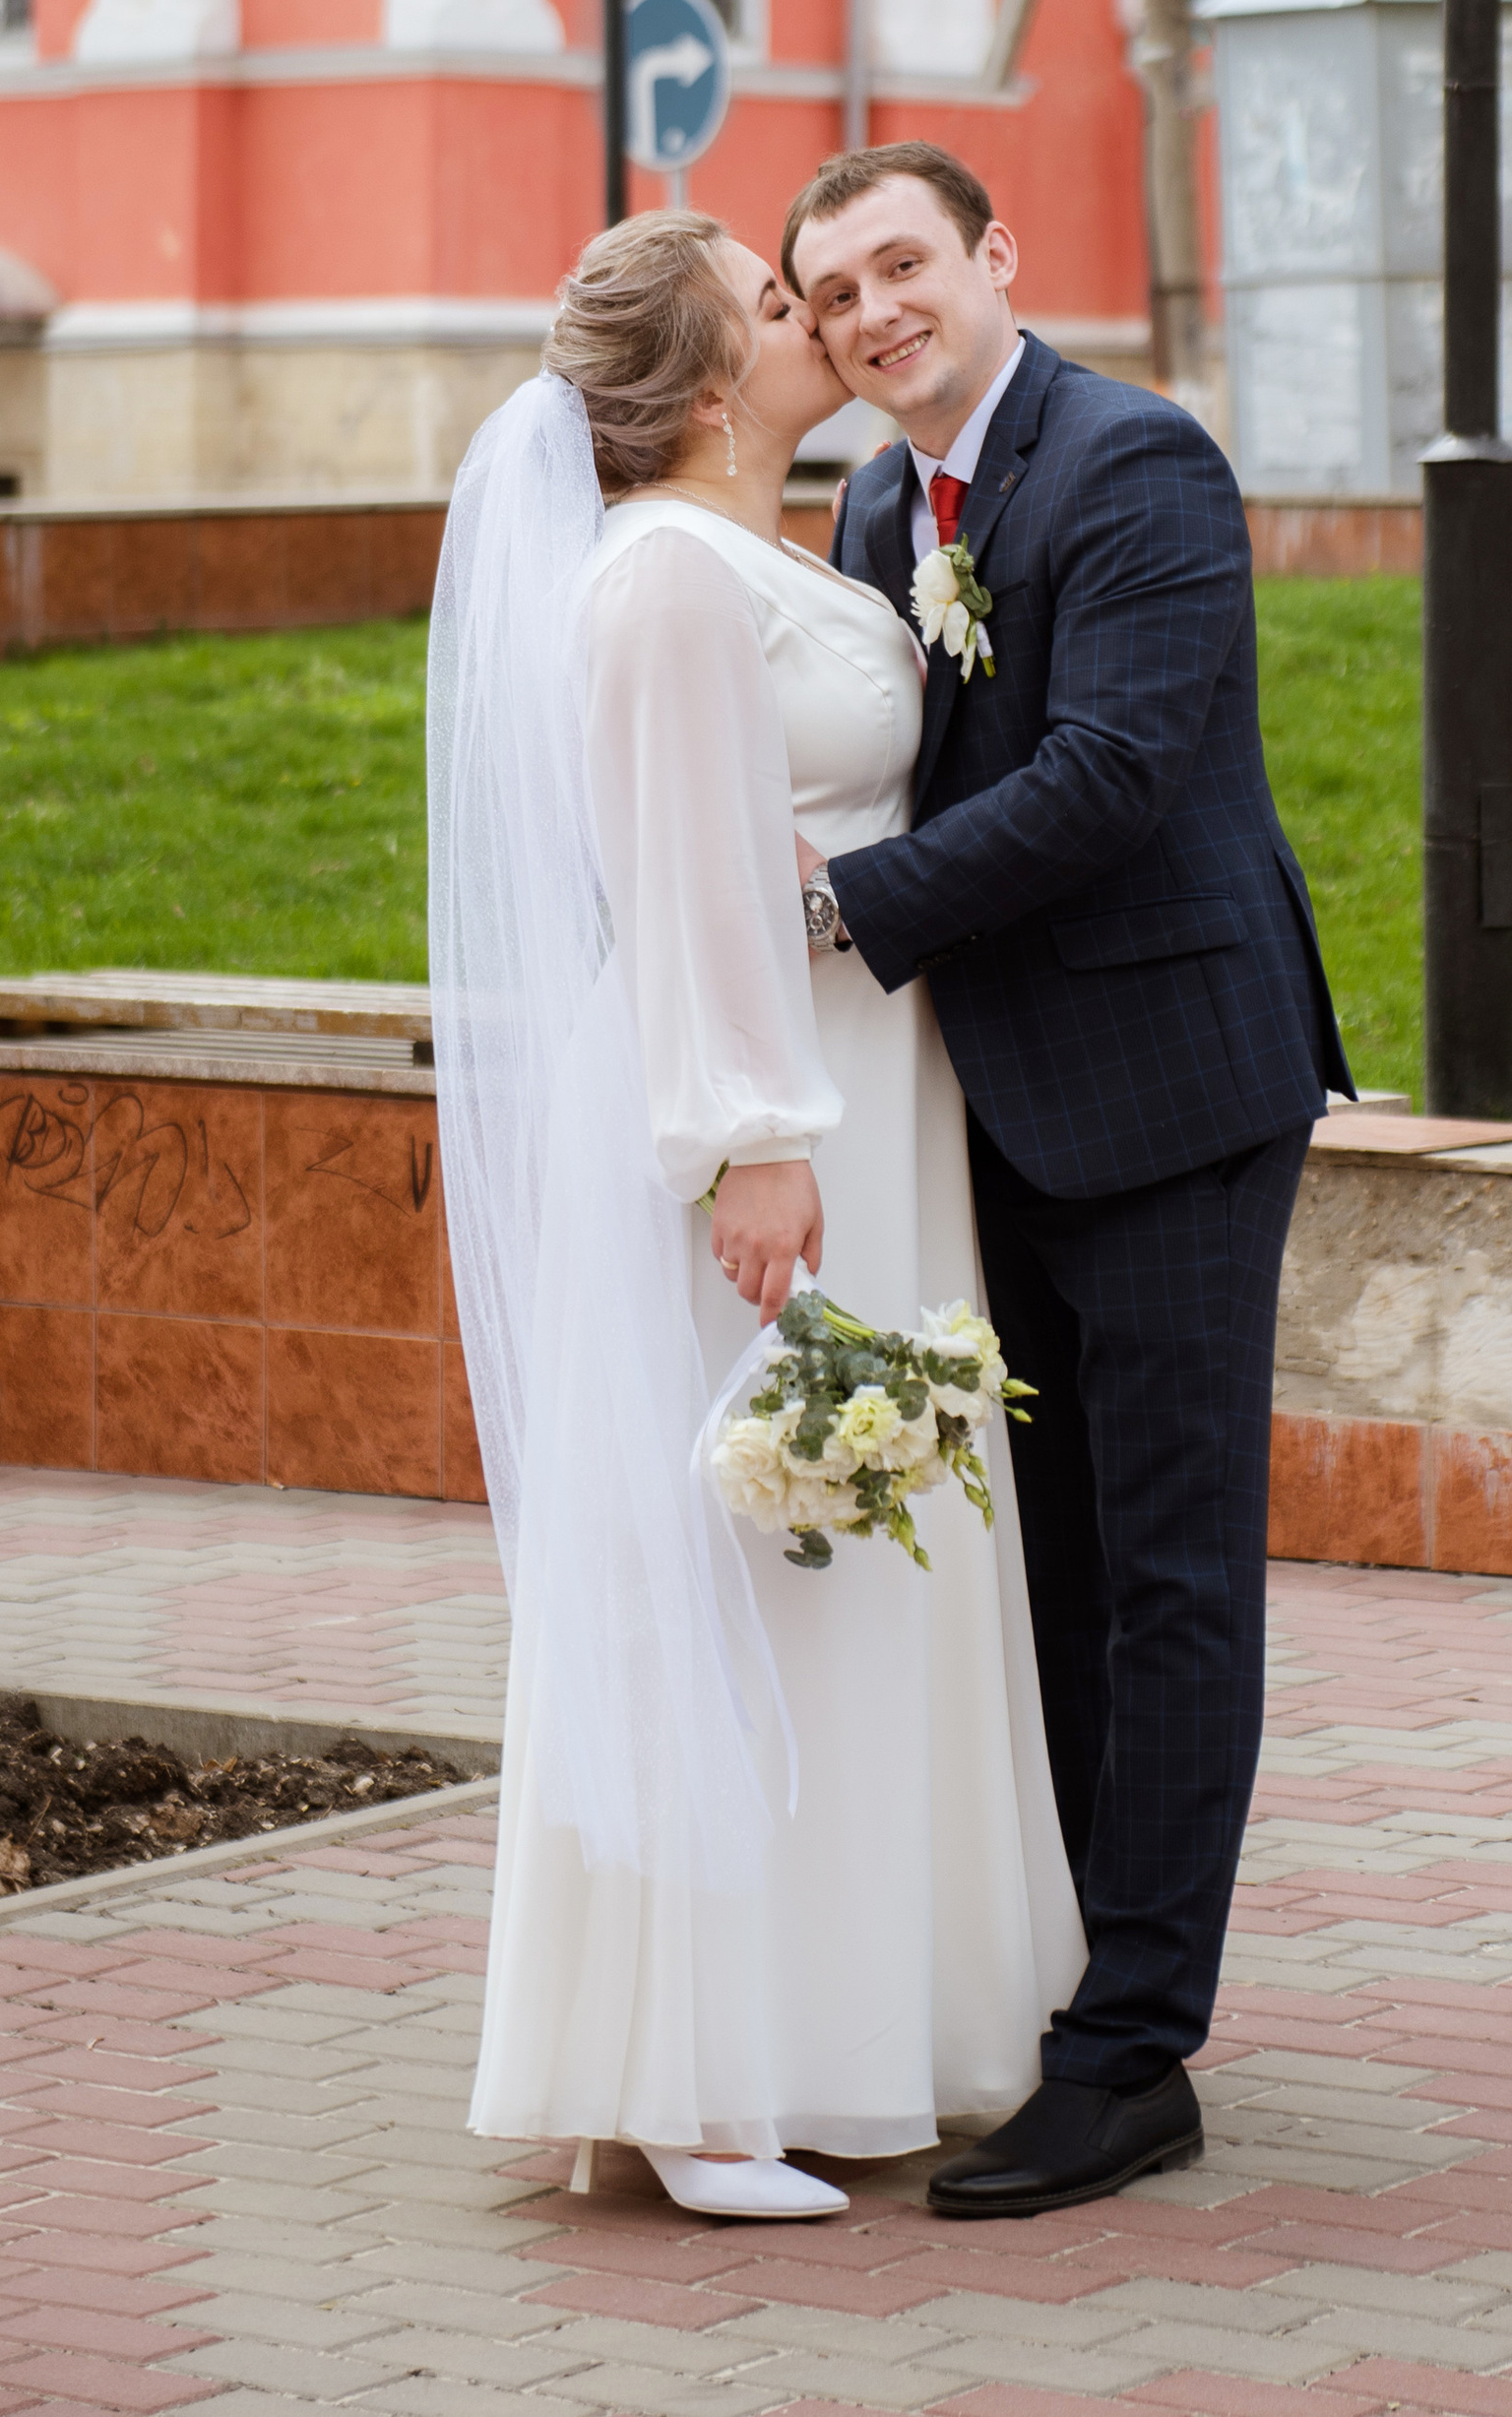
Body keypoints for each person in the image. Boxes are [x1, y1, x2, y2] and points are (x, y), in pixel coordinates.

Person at [429, 210, 1083, 2225]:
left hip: (856, 1098)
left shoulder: (749, 557)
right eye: (787, 303)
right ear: (717, 380)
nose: (826, 324)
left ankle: (843, 2028)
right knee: (756, 1575)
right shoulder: (659, 586)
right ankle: (698, 2085)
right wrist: (746, 1145)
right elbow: (685, 872)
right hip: (772, 1136)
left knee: (841, 1574)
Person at [782, 144, 1352, 2223]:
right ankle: (1070, 1972)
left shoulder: (1137, 466)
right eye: (830, 291)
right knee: (1056, 1574)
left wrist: (837, 915)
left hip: (1179, 1084)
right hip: (991, 1100)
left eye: (900, 265)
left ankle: (1132, 2057)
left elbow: (1106, 777)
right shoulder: (868, 500)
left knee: (1175, 1571)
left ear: (995, 259)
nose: (868, 314)